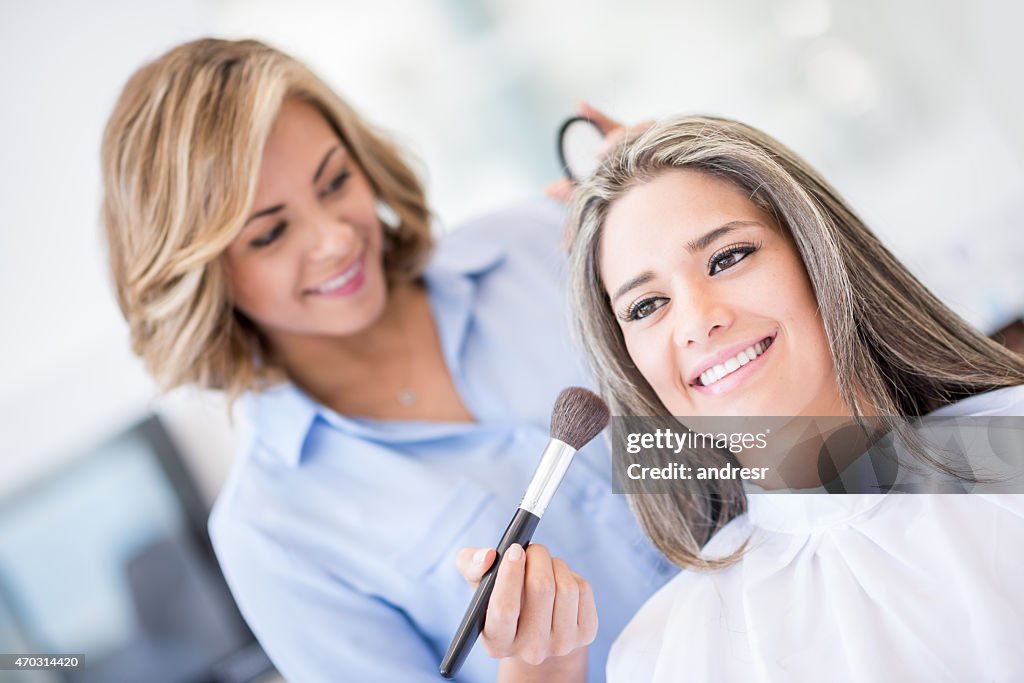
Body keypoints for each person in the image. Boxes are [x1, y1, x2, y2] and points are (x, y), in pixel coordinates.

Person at [100, 38, 677, 683]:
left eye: (336, 181)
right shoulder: (272, 534)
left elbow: (786, 436)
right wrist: (542, 670)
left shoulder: (542, 242)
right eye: (270, 233)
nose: (337, 238)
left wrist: (692, 205)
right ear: (200, 276)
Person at [458, 115, 1024, 681]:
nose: (699, 321)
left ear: (819, 251)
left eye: (727, 258)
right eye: (647, 305)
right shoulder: (662, 655)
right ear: (630, 365)